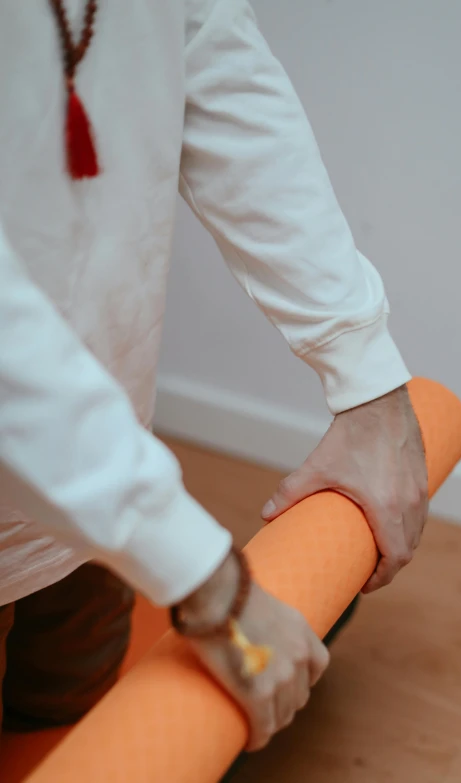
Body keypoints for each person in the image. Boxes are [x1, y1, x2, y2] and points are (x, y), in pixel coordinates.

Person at [0, 0, 427, 753]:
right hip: (101, 488)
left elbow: (215, 57)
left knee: (85, 725)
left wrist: (368, 383)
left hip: (106, 479)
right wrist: (212, 586)